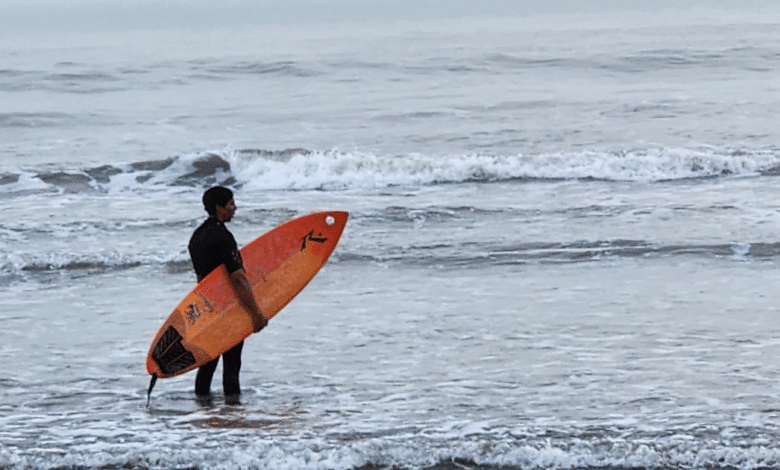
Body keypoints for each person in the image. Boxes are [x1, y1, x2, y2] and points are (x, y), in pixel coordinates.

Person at [188, 186, 267, 399]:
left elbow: (200, 281)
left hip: (210, 309)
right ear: (219, 208)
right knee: (232, 365)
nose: (235, 209)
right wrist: (256, 314)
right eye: (231, 204)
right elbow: (238, 278)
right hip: (229, 309)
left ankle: (203, 413)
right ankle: (233, 417)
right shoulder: (223, 237)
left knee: (207, 364)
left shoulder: (196, 237)